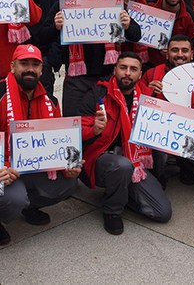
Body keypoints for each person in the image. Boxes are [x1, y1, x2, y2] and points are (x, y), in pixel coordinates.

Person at [0, 45, 82, 245]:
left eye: (35, 64)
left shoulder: (50, 101)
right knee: (13, 199)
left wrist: (69, 165)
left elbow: (59, 142)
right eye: (24, 63)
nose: (30, 69)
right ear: (12, 66)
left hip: (31, 167)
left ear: (41, 69)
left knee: (69, 184)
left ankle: (27, 207)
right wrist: (0, 168)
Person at [76, 52, 184, 235]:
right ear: (115, 70)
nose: (127, 73)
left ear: (140, 74)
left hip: (136, 162)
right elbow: (76, 132)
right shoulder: (97, 94)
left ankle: (120, 193)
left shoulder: (148, 98)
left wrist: (191, 143)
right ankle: (112, 211)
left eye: (133, 69)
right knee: (122, 165)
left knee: (162, 212)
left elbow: (170, 130)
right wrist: (93, 130)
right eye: (123, 68)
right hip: (104, 160)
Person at [55, 0, 141, 117]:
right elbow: (46, 37)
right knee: (75, 125)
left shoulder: (112, 4)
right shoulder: (66, 5)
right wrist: (56, 27)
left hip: (105, 77)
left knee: (104, 126)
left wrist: (127, 24)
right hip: (76, 80)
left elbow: (136, 34)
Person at [140, 35, 194, 187]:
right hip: (160, 136)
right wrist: (148, 92)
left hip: (193, 134)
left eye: (184, 50)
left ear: (192, 53)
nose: (180, 54)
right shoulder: (152, 74)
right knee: (160, 157)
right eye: (174, 50)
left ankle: (185, 164)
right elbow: (137, 109)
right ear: (167, 53)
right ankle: (158, 175)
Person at [9, 0, 61, 97]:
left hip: (44, 58)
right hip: (20, 57)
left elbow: (59, 28)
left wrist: (50, 60)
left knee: (44, 100)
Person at [146, 0, 194, 67]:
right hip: (152, 65)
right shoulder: (149, 12)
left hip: (179, 66)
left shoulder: (188, 17)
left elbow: (190, 45)